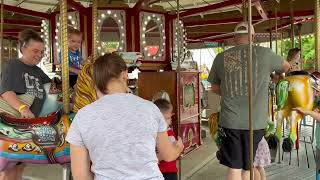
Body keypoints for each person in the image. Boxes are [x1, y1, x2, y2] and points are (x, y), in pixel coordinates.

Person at [66, 54, 184, 180]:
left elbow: (80, 175)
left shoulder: (83, 116)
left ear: (95, 82)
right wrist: (178, 147)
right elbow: (168, 155)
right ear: (124, 75)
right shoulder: (150, 109)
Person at [208, 22, 290, 180]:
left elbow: (214, 88)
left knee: (234, 167)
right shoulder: (266, 54)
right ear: (253, 36)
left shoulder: (221, 57)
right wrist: (274, 76)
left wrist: (231, 94)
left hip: (230, 121)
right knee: (248, 166)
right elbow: (285, 67)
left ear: (234, 38)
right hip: (256, 121)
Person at [0, 29, 55, 180]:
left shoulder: (38, 71)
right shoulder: (13, 65)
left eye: (42, 51)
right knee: (9, 169)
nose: (39, 55)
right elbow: (6, 91)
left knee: (19, 167)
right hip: (12, 122)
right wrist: (23, 108)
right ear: (23, 48)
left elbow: (53, 89)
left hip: (26, 126)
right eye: (35, 51)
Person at [154, 99, 178, 180]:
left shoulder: (168, 131)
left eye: (169, 117)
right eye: (166, 118)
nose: (170, 121)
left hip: (168, 170)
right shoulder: (159, 132)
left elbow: (168, 153)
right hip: (162, 171)